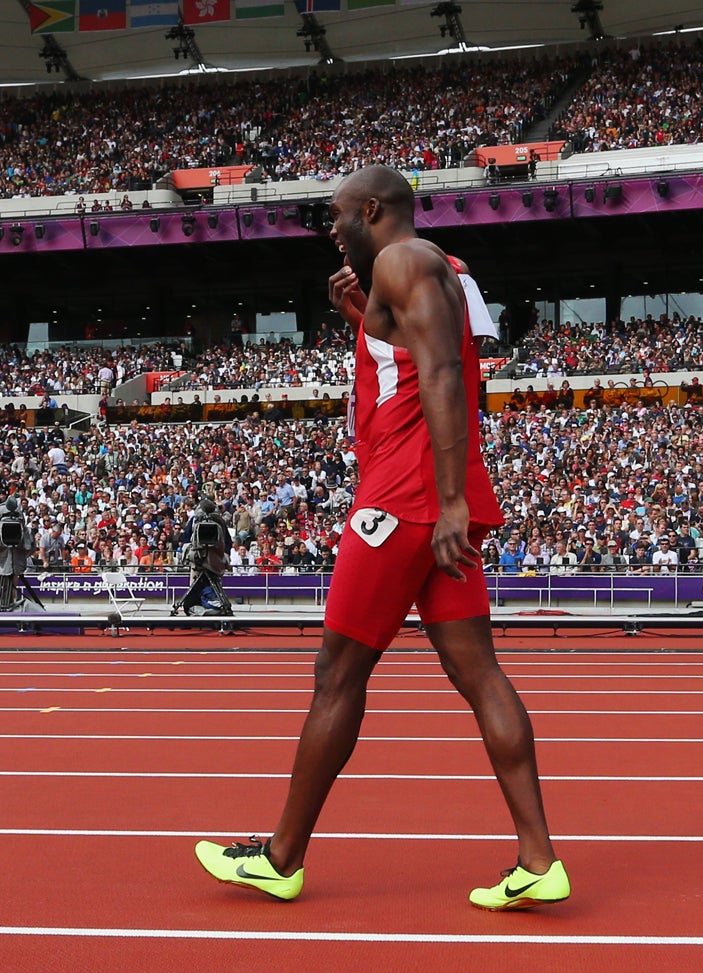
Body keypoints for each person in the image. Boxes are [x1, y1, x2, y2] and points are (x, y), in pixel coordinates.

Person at [194, 165, 566, 912]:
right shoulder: (438, 269)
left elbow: (443, 376)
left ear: (372, 210)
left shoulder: (402, 259)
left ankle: (280, 858)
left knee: (337, 671)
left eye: (336, 216)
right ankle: (539, 861)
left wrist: (453, 500)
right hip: (429, 500)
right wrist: (365, 313)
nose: (330, 230)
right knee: (478, 672)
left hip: (407, 500)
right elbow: (426, 352)